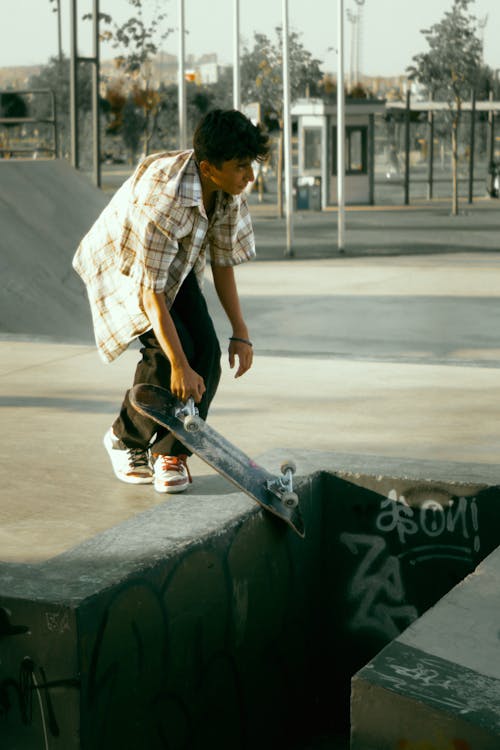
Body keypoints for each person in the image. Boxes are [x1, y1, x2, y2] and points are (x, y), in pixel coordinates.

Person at [73, 109, 270, 494]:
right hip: (124, 265)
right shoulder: (163, 202)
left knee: (207, 354)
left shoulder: (227, 193)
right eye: (241, 167)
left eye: (251, 166)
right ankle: (124, 439)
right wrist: (179, 365)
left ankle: (171, 453)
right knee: (168, 357)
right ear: (210, 168)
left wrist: (241, 332)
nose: (250, 176)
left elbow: (222, 262)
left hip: (174, 270)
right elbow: (150, 292)